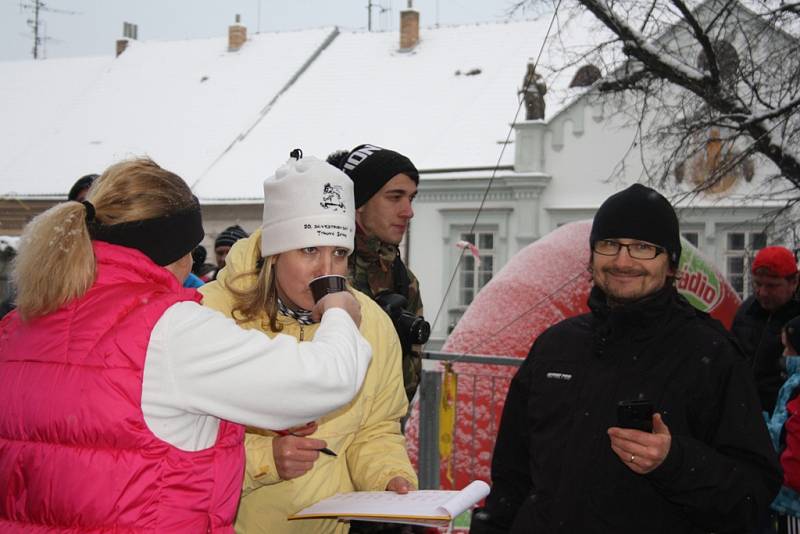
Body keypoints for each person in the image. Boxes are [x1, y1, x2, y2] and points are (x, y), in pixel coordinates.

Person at [0, 158, 374, 532]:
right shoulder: (169, 330)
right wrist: (340, 314)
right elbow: (326, 378)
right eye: (193, 250)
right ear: (175, 250)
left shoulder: (21, 322)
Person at [470, 184, 781, 534]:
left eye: (643, 248)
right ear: (591, 257)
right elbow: (512, 477)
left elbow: (753, 494)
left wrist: (674, 461)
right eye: (610, 245)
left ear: (671, 265)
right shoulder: (555, 346)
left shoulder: (712, 354)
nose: (622, 261)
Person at [200, 154, 417, 534]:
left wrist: (390, 478)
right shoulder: (212, 314)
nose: (326, 271)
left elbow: (376, 428)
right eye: (309, 250)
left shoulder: (371, 323)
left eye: (339, 253)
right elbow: (179, 437)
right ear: (275, 252)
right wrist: (263, 459)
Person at [335, 143, 426, 404]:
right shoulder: (319, 266)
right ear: (358, 202)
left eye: (411, 198)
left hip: (378, 433)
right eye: (395, 197)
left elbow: (406, 382)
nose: (408, 211)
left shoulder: (402, 279)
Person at [732, 245, 800, 413]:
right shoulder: (746, 310)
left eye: (771, 286)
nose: (762, 292)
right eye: (757, 284)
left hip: (787, 420)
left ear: (794, 282)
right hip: (742, 411)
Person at [765, 316, 800, 533]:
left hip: (792, 499)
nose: (784, 355)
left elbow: (783, 433)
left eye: (788, 349)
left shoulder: (794, 385)